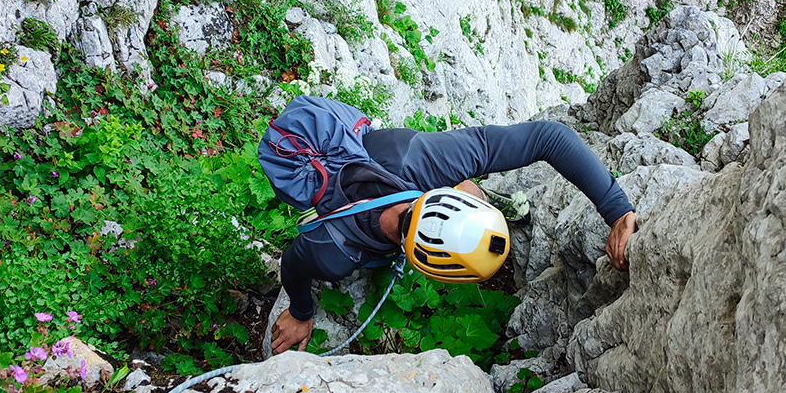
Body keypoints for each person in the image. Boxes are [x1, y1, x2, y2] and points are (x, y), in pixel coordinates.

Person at [270, 118, 637, 354]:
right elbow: (293, 262)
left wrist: (617, 209)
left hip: (384, 156)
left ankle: (475, 195)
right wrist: (301, 312)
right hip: (340, 189)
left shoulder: (426, 159)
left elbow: (548, 137)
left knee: (447, 167)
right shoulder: (334, 255)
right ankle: (478, 197)